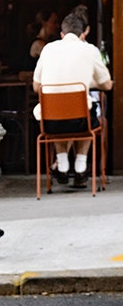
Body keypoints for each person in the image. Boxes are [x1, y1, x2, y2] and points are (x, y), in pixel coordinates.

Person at [32, 11, 113, 188]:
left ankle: (61, 164)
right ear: (83, 34)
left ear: (62, 34)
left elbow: (36, 87)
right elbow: (107, 85)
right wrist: (86, 81)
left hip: (49, 122)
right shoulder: (90, 50)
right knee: (87, 113)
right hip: (80, 121)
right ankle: (81, 165)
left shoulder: (48, 49)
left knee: (61, 112)